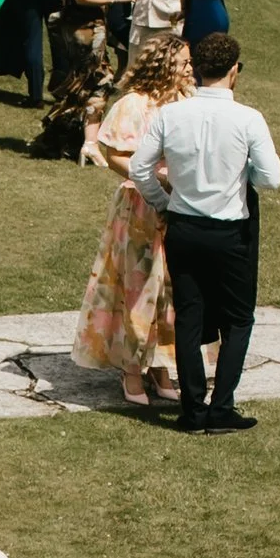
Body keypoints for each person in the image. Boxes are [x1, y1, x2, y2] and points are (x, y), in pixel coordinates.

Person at [126, 34, 280, 435]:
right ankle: (221, 406)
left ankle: (192, 410)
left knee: (189, 318)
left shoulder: (170, 115)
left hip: (184, 227)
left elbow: (139, 168)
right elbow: (272, 178)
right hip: (231, 232)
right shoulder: (249, 119)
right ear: (234, 70)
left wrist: (162, 202)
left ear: (196, 69)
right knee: (238, 320)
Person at [69, 34, 194, 411]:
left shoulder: (188, 104)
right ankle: (131, 368)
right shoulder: (133, 105)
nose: (190, 68)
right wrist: (156, 177)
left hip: (181, 208)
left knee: (170, 290)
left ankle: (162, 366)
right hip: (140, 210)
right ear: (165, 64)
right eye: (184, 62)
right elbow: (115, 156)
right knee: (136, 289)